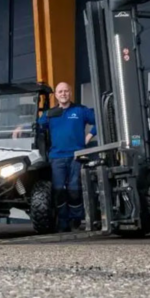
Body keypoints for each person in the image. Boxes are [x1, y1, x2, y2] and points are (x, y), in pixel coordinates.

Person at [37, 82, 96, 232]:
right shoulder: (50, 114)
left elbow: (100, 119)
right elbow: (36, 127)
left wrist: (89, 136)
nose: (63, 94)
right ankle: (63, 222)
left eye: (66, 91)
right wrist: (20, 128)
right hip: (57, 157)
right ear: (56, 95)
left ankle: (76, 220)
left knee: (74, 189)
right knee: (58, 190)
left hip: (76, 156)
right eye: (60, 92)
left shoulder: (80, 110)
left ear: (70, 93)